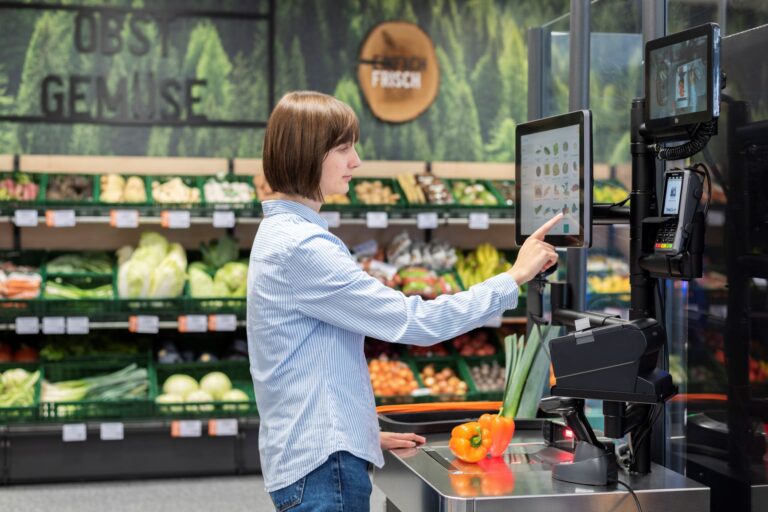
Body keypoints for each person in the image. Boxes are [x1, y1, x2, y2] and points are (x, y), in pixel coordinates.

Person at [247, 91, 561, 512]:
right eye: (343, 148)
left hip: (317, 454)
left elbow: (307, 360)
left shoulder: (281, 234)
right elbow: (416, 322)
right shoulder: (302, 247)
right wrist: (514, 277)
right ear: (306, 154)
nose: (355, 161)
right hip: (322, 472)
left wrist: (356, 431)